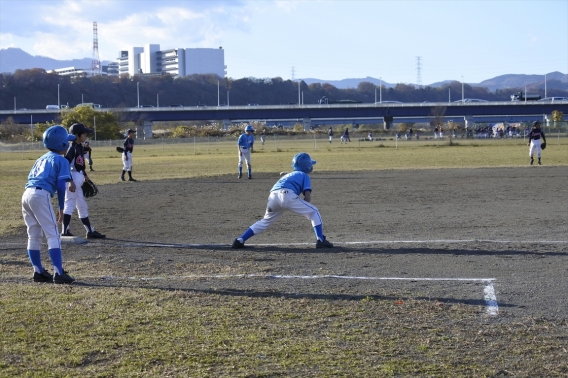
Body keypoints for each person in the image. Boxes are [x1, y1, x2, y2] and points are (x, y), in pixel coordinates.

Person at [231, 153, 333, 249]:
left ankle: (240, 240)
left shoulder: (288, 175)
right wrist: (305, 208)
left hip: (273, 196)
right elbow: (307, 196)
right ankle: (320, 240)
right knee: (314, 212)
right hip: (287, 195)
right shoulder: (304, 175)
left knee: (265, 221)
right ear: (308, 166)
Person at [22, 125, 76, 284]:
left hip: (27, 194)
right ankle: (59, 273)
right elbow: (60, 185)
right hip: (41, 195)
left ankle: (38, 271)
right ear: (62, 145)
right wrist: (61, 206)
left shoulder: (41, 158)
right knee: (52, 233)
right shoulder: (61, 159)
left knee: (34, 234)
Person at [61, 123, 106, 239]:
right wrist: (70, 181)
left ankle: (90, 231)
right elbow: (65, 165)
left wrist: (85, 176)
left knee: (82, 206)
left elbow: (80, 164)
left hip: (79, 176)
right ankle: (64, 231)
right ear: (77, 135)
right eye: (84, 134)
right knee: (70, 204)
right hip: (72, 177)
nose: (86, 136)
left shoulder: (80, 147)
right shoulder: (71, 147)